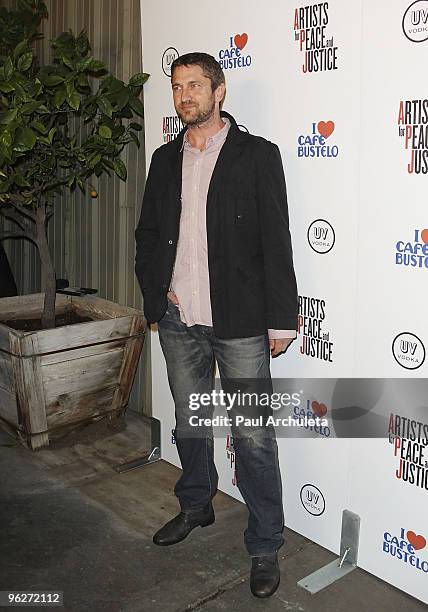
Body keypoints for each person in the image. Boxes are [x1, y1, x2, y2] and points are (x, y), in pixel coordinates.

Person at [135, 52, 298, 599]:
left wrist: (282, 316)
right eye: (177, 87)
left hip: (241, 320)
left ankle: (265, 542)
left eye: (196, 86)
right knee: (188, 422)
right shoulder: (163, 159)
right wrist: (156, 297)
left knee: (252, 436)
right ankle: (196, 505)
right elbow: (148, 234)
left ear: (219, 91)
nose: (185, 96)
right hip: (180, 317)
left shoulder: (257, 155)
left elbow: (277, 239)